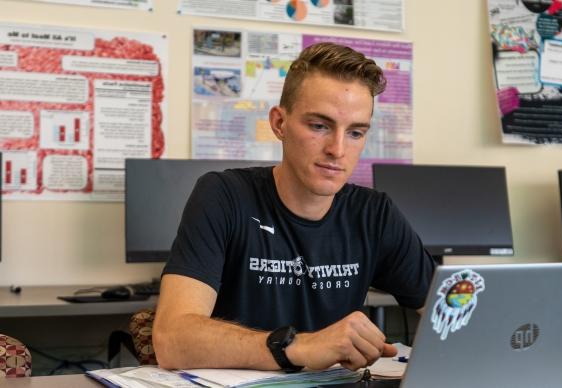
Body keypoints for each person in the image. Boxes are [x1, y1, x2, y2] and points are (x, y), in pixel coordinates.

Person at [153, 42, 436, 372]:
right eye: (319, 126)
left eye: (356, 132)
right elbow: (171, 340)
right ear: (279, 123)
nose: (338, 149)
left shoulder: (374, 214)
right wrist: (298, 346)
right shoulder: (224, 195)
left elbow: (458, 310)